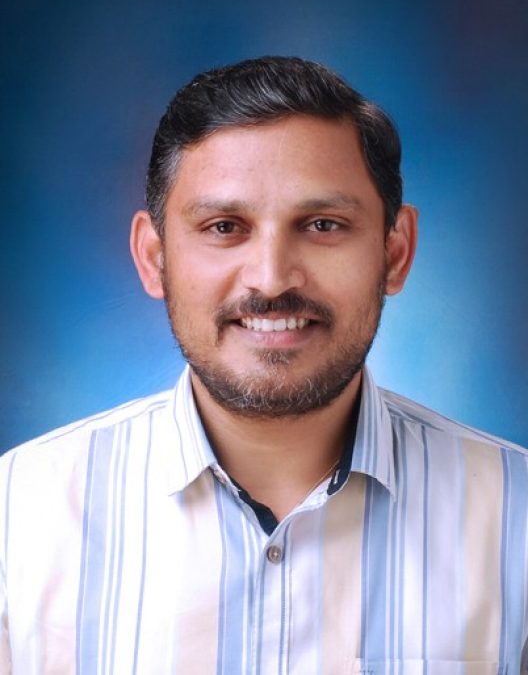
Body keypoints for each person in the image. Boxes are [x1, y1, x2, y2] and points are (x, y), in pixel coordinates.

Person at [1, 56, 527, 674]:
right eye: (225, 226)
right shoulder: (17, 518)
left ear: (395, 253)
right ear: (153, 258)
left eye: (323, 224)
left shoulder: (516, 520)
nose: (272, 278)